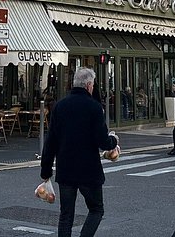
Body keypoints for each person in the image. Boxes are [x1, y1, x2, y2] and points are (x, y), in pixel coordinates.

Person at [41, 67, 119, 237]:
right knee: (96, 209)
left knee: (66, 215)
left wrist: (45, 170)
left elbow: (51, 141)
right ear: (89, 85)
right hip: (88, 170)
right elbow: (103, 141)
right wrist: (114, 140)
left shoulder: (60, 106)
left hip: (66, 169)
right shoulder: (94, 107)